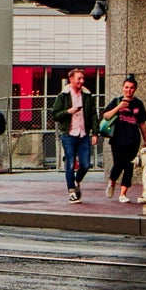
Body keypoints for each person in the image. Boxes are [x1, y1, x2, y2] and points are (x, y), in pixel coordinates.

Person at [103, 75, 146, 201]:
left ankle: (123, 193)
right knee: (118, 163)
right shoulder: (116, 101)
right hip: (117, 138)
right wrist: (119, 107)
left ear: (135, 89)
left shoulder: (138, 104)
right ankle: (112, 181)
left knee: (129, 165)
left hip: (133, 139)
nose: (129, 90)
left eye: (131, 88)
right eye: (126, 87)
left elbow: (142, 123)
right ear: (123, 88)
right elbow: (106, 116)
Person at [56, 68, 96, 203]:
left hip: (83, 134)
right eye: (79, 78)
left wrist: (95, 133)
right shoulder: (63, 96)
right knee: (70, 163)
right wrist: (68, 111)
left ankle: (77, 180)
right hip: (69, 134)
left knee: (85, 164)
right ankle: (71, 190)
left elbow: (93, 115)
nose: (81, 81)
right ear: (71, 79)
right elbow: (55, 114)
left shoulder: (87, 95)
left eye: (82, 79)